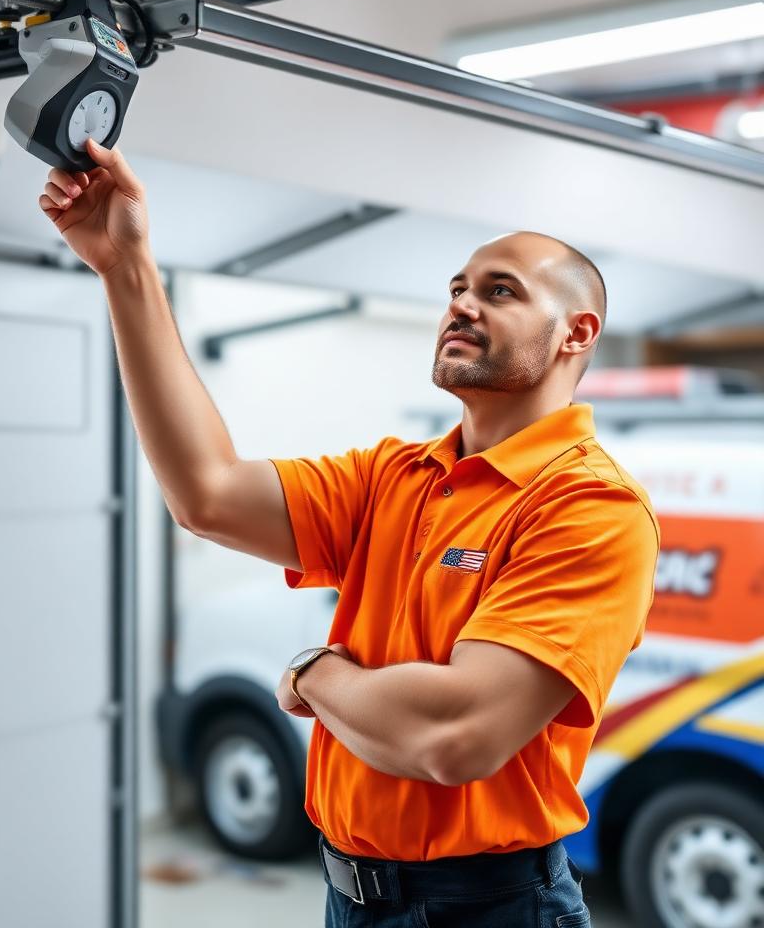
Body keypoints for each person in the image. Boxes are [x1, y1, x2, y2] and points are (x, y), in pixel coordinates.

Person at [39, 140, 659, 928]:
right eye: (457, 289)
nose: (462, 305)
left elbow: (455, 733)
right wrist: (126, 267)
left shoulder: (587, 506)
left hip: (490, 908)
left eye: (499, 292)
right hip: (350, 898)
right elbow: (207, 494)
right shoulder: (395, 477)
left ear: (576, 334)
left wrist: (314, 673)